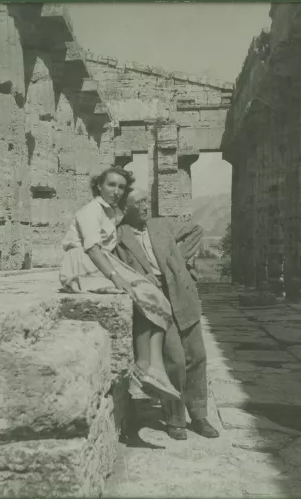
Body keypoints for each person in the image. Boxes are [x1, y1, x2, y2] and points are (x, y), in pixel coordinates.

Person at [59, 166, 180, 401]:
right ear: (99, 186)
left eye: (121, 187)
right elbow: (93, 249)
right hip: (84, 264)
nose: (116, 191)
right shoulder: (90, 211)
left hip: (102, 261)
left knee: (156, 296)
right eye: (111, 185)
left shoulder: (111, 212)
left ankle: (155, 368)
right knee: (141, 293)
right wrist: (117, 277)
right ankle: (146, 365)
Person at [115, 188, 220, 440]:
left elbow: (196, 230)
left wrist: (177, 262)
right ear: (125, 209)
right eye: (138, 202)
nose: (144, 206)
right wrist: (139, 278)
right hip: (154, 300)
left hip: (181, 294)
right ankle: (175, 419)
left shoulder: (162, 224)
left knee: (197, 355)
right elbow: (113, 265)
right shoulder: (119, 235)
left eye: (145, 201)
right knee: (175, 360)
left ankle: (199, 415)